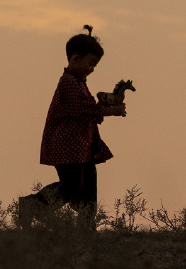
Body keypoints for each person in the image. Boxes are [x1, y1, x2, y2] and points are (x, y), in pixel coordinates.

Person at [38, 29, 124, 214]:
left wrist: (103, 105)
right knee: (71, 189)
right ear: (75, 59)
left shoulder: (78, 83)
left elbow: (86, 109)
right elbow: (82, 110)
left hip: (82, 148)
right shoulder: (68, 82)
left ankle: (86, 227)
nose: (92, 69)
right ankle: (32, 206)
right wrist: (111, 111)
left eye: (94, 65)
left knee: (87, 194)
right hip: (68, 148)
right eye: (91, 63)